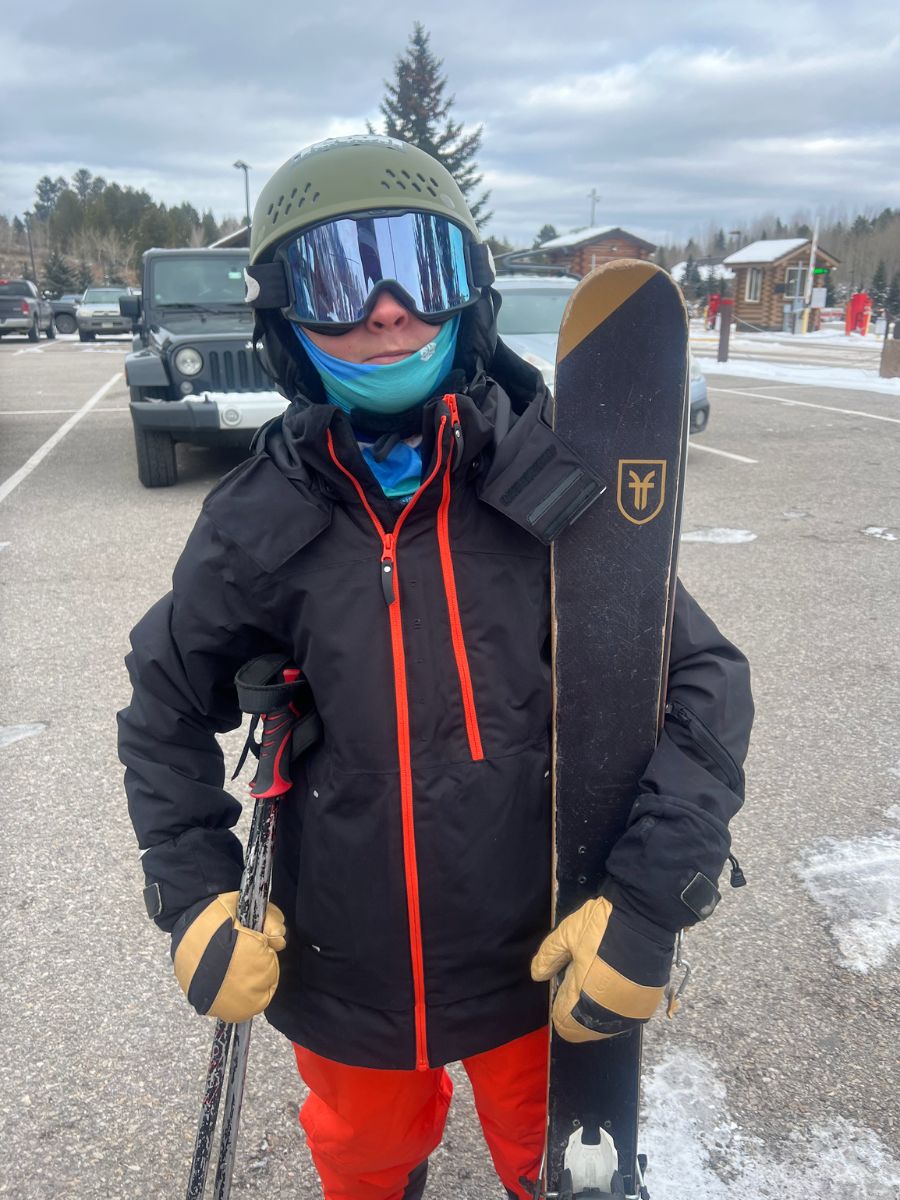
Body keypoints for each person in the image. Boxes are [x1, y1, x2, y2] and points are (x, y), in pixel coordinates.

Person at [118, 135, 753, 1200]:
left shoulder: (548, 489)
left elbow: (700, 683)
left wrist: (647, 905)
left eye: (423, 270)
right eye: (338, 280)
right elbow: (163, 708)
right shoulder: (257, 526)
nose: (385, 310)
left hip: (535, 958)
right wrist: (194, 897)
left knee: (543, 1157)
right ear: (283, 319)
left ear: (470, 296)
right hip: (345, 970)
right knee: (365, 1158)